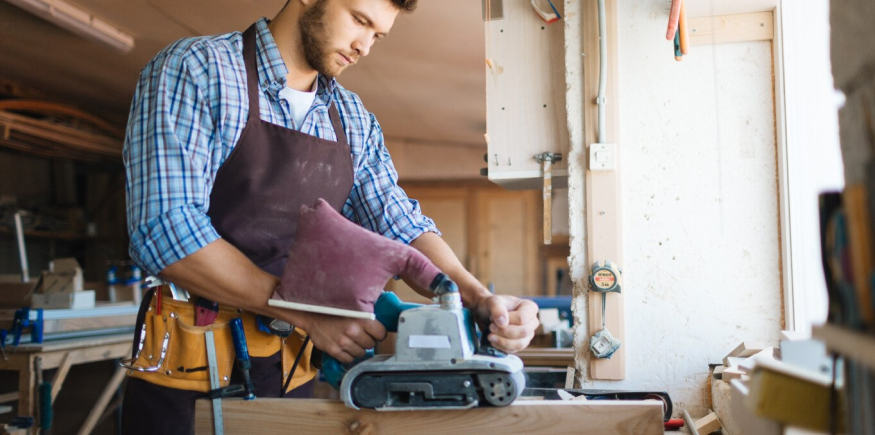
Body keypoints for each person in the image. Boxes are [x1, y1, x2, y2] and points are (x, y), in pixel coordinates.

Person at [121, 0, 540, 432]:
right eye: (359, 20)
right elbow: (165, 229)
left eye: (377, 34)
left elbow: (401, 224)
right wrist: (302, 309)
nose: (364, 46)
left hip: (290, 375)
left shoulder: (352, 119)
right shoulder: (198, 70)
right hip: (190, 376)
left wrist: (474, 297)